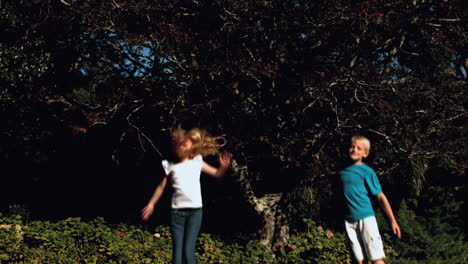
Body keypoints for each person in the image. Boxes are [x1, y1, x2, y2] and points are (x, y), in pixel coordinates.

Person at [141, 127, 232, 264]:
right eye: (178, 144)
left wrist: (224, 167)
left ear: (193, 147)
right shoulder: (170, 166)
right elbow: (161, 187)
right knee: (177, 252)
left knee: (188, 251)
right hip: (176, 213)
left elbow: (217, 173)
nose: (180, 147)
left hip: (195, 212)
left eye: (184, 144)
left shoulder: (197, 161)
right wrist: (151, 203)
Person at [339, 135, 401, 264]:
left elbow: (380, 197)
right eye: (352, 146)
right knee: (358, 260)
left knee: (375, 258)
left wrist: (392, 221)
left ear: (365, 154)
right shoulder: (341, 172)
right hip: (349, 221)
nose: (354, 150)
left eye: (359, 148)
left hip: (366, 218)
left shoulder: (367, 171)